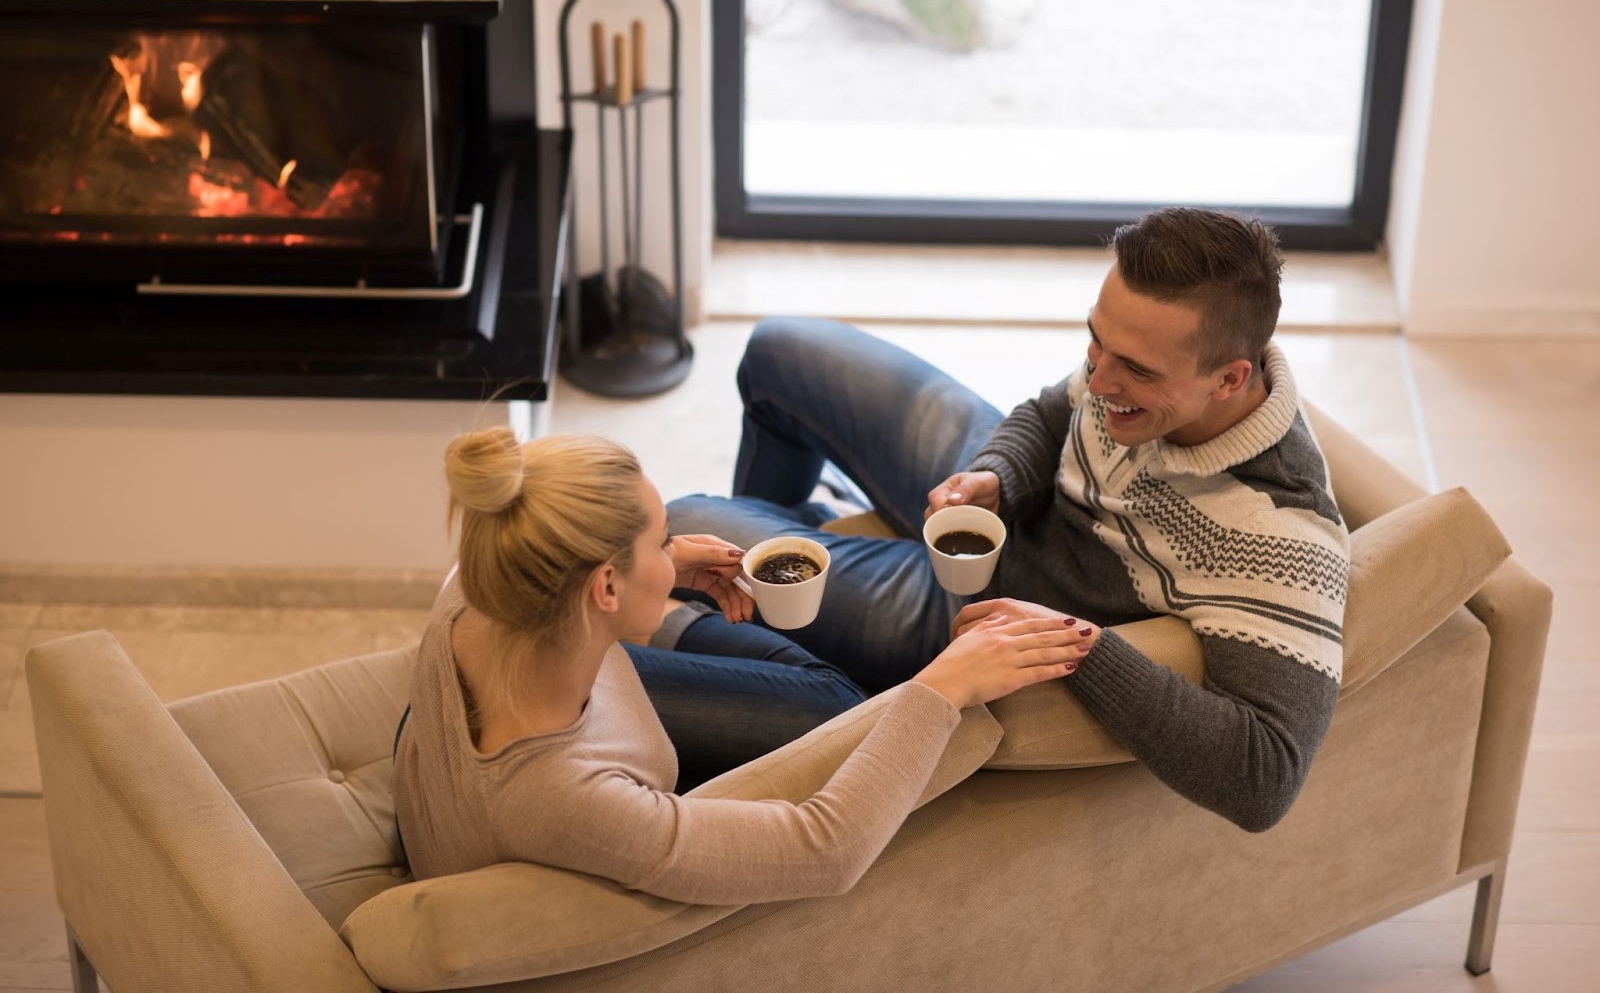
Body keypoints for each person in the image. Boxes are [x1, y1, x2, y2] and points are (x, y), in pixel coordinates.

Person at [668, 207, 1351, 833]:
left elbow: (1264, 778)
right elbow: (1054, 413)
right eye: (1095, 339)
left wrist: (1076, 642)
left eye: (1132, 369)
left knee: (692, 521)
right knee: (778, 348)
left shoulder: (1281, 537)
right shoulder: (1136, 367)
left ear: (1230, 379)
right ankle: (791, 585)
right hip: (1012, 510)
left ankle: (784, 633)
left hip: (1001, 602)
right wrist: (1000, 476)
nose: (1100, 377)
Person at [391, 428, 1094, 903]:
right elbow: (826, 851)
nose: (678, 549)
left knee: (828, 699)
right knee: (842, 707)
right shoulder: (560, 798)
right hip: (571, 819)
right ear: (603, 589)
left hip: (525, 736)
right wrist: (942, 685)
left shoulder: (478, 588)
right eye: (663, 540)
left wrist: (664, 571)